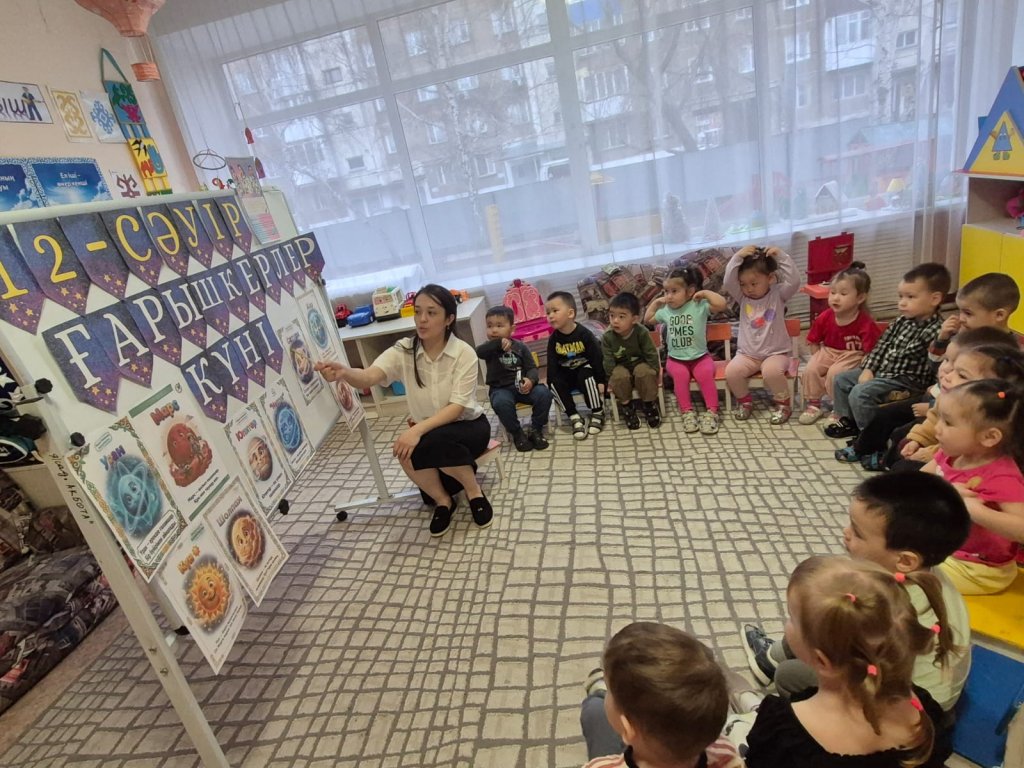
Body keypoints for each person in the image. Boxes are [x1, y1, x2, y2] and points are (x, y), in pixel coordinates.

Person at [742, 473, 971, 719]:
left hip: (905, 713)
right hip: (927, 698)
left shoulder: (879, 605)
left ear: (905, 560)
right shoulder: (929, 576)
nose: (846, 532)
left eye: (858, 532)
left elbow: (833, 651)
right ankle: (769, 660)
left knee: (791, 672)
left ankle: (804, 718)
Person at [314, 284, 492, 538]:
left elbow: (456, 408)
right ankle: (444, 501)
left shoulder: (464, 353)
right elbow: (369, 376)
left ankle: (474, 492)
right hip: (430, 430)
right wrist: (344, 372)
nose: (422, 319)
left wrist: (416, 431)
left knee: (429, 442)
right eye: (417, 311)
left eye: (431, 313)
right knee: (405, 450)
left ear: (449, 319)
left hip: (468, 426)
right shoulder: (405, 349)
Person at [744, 556, 954, 768]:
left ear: (822, 661)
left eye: (791, 616)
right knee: (787, 675)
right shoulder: (922, 709)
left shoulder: (783, 733)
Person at [836, 327, 1022, 469]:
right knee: (897, 434)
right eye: (947, 361)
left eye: (962, 374)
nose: (945, 372)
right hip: (942, 452)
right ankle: (875, 454)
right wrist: (917, 440)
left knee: (904, 464)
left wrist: (931, 453)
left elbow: (966, 450)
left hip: (959, 466)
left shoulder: (990, 415)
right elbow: (934, 421)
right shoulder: (952, 395)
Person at [579, 622, 743, 768]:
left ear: (628, 730)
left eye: (610, 691)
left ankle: (598, 690)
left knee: (594, 708)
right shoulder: (726, 753)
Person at [921, 378, 1024, 595]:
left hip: (979, 570)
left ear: (989, 437)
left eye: (948, 423)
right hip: (947, 550)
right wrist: (946, 492)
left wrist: (975, 511)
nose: (937, 429)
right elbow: (918, 483)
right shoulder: (951, 454)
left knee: (909, 576)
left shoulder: (1001, 477)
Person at [826, 263, 949, 440]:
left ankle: (871, 437)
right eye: (900, 296)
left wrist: (876, 374)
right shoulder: (901, 321)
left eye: (910, 297)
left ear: (934, 299)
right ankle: (849, 421)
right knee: (841, 379)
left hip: (905, 381)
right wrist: (869, 368)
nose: (902, 302)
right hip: (884, 372)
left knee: (860, 393)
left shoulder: (936, 330)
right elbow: (881, 345)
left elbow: (930, 361)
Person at [644, 265, 729, 435]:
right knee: (680, 378)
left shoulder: (699, 305)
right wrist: (656, 303)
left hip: (701, 357)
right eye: (666, 291)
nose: (669, 296)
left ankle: (712, 411)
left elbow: (721, 304)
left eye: (674, 291)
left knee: (705, 375)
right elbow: (648, 319)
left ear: (690, 291)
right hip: (676, 360)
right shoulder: (666, 311)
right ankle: (687, 412)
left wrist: (705, 293)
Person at [722, 245, 801, 424]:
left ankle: (783, 404)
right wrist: (737, 257)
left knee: (771, 372)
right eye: (743, 284)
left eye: (754, 283)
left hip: (776, 353)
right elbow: (728, 282)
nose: (748, 289)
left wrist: (781, 256)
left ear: (770, 278)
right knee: (732, 372)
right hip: (748, 354)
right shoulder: (743, 298)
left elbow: (794, 281)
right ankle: (745, 402)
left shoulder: (778, 294)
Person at [798, 262, 881, 425]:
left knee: (836, 373)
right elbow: (814, 340)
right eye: (833, 292)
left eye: (843, 294)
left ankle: (838, 407)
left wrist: (865, 367)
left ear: (860, 298)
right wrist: (817, 358)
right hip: (829, 350)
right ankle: (814, 403)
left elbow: (871, 351)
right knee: (811, 368)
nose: (835, 298)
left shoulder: (865, 322)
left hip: (853, 355)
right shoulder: (825, 316)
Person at [475, 305, 552, 452]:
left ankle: (536, 429)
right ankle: (517, 434)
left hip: (522, 386)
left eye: (499, 326)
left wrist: (530, 380)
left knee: (544, 394)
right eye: (490, 326)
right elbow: (479, 352)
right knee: (501, 403)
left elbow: (532, 368)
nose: (494, 330)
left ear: (512, 329)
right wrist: (497, 344)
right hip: (500, 389)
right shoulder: (488, 348)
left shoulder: (521, 347)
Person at [546, 291, 607, 440]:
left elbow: (597, 358)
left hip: (583, 370)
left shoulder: (584, 334)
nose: (550, 316)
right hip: (566, 373)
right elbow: (552, 364)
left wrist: (601, 381)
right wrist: (551, 383)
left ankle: (597, 411)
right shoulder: (553, 339)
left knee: (587, 375)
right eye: (548, 313)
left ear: (570, 313)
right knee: (553, 381)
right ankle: (573, 415)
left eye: (555, 311)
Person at [928, 271, 1021, 362]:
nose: (961, 319)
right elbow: (936, 365)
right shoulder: (962, 335)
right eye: (960, 311)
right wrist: (942, 340)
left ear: (999, 315)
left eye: (968, 313)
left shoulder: (1012, 352)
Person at [602, 292, 661, 430]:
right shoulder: (607, 336)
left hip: (640, 363)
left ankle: (649, 404)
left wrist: (655, 371)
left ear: (634, 319)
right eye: (612, 315)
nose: (615, 321)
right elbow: (608, 360)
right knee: (618, 376)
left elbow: (651, 353)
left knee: (645, 372)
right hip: (620, 366)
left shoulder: (641, 332)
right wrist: (610, 377)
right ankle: (627, 406)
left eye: (621, 317)